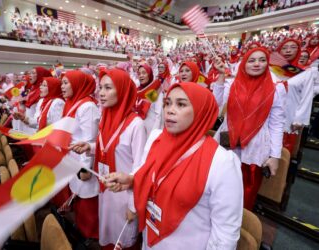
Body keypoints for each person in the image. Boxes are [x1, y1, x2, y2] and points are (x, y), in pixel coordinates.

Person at [104, 82, 243, 250]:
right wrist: (132, 180)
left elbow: (225, 234)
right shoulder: (157, 140)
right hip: (150, 239)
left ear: (201, 110)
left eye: (181, 104)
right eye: (167, 103)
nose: (170, 109)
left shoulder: (222, 162)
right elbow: (147, 173)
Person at [73, 68, 147, 250]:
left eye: (108, 88)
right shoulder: (105, 117)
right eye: (100, 88)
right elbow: (107, 148)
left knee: (124, 241)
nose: (101, 93)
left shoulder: (136, 125)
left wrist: (133, 206)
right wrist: (90, 147)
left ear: (121, 90)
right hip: (106, 189)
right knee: (108, 235)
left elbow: (140, 168)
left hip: (124, 195)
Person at [213, 47, 286, 210]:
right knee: (219, 185)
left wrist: (275, 156)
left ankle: (237, 227)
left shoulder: (276, 88)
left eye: (262, 60)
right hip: (227, 141)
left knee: (245, 192)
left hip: (255, 148)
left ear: (267, 63)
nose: (257, 64)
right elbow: (215, 104)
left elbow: (276, 124)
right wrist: (221, 75)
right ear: (244, 63)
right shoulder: (231, 83)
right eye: (251, 60)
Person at [61, 71, 101, 239]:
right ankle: (82, 231)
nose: (61, 87)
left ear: (77, 84)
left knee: (87, 198)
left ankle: (90, 236)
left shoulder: (87, 106)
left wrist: (85, 168)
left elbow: (89, 139)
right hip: (73, 156)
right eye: (61, 83)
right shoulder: (72, 103)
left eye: (65, 83)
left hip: (83, 159)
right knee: (77, 194)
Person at [135, 64, 164, 135]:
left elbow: (158, 115)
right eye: (139, 73)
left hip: (150, 130)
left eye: (144, 73)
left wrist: (153, 135)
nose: (141, 75)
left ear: (149, 74)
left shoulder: (156, 90)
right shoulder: (137, 91)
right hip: (138, 129)